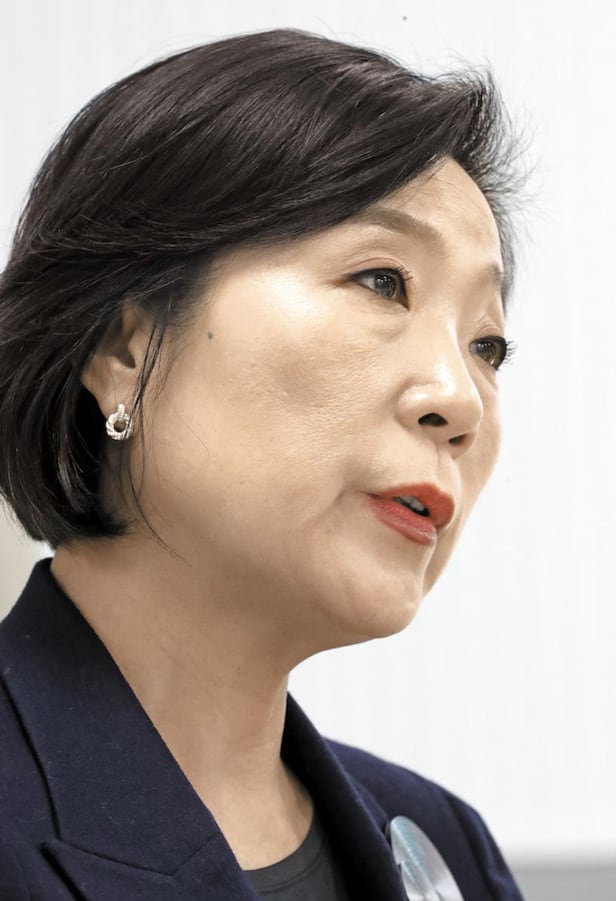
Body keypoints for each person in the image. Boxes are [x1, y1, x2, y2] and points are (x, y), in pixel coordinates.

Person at [0, 26, 527, 900]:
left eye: (488, 345)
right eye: (383, 280)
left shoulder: (447, 847)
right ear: (123, 349)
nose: (461, 400)